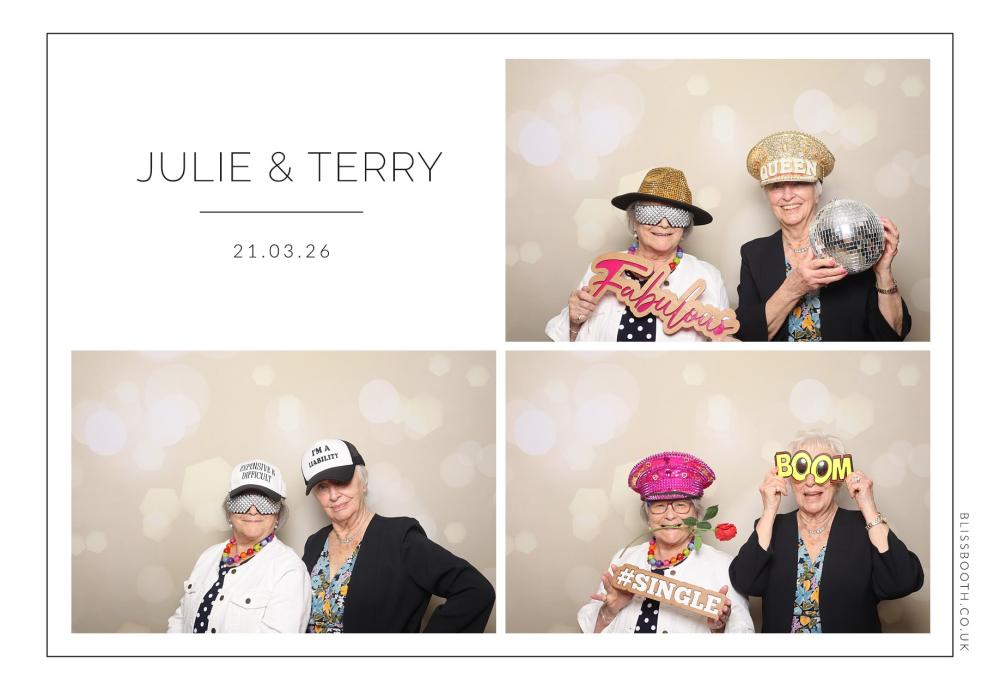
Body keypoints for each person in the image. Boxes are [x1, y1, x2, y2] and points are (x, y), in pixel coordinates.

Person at [728, 433, 924, 632]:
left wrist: (868, 507)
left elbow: (903, 582)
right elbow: (745, 581)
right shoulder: (772, 528)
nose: (811, 481)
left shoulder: (864, 528)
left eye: (822, 469)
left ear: (838, 477)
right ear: (789, 477)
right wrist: (769, 510)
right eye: (801, 469)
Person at [300, 438, 495, 632]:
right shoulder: (315, 542)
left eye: (341, 481)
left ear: (363, 482)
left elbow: (476, 591)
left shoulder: (400, 538)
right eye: (322, 487)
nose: (333, 495)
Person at [735, 130, 910, 341]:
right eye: (776, 186)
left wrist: (883, 272)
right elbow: (745, 336)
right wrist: (794, 287)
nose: (787, 195)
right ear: (767, 195)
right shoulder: (754, 254)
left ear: (817, 192)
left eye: (798, 183)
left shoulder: (853, 243)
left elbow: (893, 336)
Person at [546, 167, 729, 342]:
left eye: (676, 216)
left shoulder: (708, 277)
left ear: (685, 227)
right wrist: (575, 322)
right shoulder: (604, 269)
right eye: (651, 213)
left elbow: (721, 346)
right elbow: (568, 345)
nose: (664, 224)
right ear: (634, 221)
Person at [578, 451, 753, 633]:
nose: (670, 515)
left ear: (696, 513)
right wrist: (609, 611)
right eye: (659, 505)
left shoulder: (725, 567)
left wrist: (719, 629)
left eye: (681, 505)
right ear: (648, 516)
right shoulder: (623, 558)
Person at [167, 460, 310, 633]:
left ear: (278, 514)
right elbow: (180, 620)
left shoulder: (289, 569)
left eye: (264, 502)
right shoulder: (208, 556)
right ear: (229, 511)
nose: (253, 511)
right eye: (243, 500)